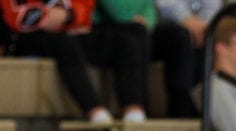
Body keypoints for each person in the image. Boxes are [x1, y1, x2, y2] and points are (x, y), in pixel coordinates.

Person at [2, 0, 149, 123]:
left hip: (69, 26)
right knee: (64, 44)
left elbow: (83, 7)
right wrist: (46, 17)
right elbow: (13, 13)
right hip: (24, 34)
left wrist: (69, 15)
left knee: (125, 43)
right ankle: (94, 111)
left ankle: (134, 113)